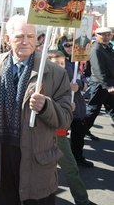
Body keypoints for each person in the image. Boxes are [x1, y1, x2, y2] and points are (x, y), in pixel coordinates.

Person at [0, 14, 72, 205]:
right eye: (19, 36)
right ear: (7, 39)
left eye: (30, 36)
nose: (26, 41)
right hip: (2, 155)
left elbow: (65, 118)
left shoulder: (55, 72)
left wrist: (46, 106)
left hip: (37, 158)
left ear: (37, 38)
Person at [47, 50, 95, 205]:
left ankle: (82, 200)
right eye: (56, 63)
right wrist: (66, 108)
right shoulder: (42, 81)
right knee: (65, 168)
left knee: (70, 168)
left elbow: (84, 83)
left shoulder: (66, 78)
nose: (60, 66)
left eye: (62, 63)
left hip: (61, 132)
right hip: (48, 132)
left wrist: (76, 87)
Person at [56, 36, 92, 167]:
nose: (70, 48)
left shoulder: (76, 61)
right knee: (60, 135)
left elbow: (84, 80)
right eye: (67, 45)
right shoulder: (57, 60)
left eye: (73, 45)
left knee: (78, 134)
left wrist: (80, 84)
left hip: (77, 105)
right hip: (62, 104)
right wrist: (69, 85)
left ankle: (77, 158)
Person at [83, 26, 114, 140]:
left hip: (109, 83)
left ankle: (83, 130)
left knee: (112, 108)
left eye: (108, 34)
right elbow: (98, 69)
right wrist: (108, 85)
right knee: (92, 110)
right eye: (103, 35)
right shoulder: (96, 49)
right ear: (97, 35)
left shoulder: (107, 47)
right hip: (100, 84)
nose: (106, 37)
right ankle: (81, 131)